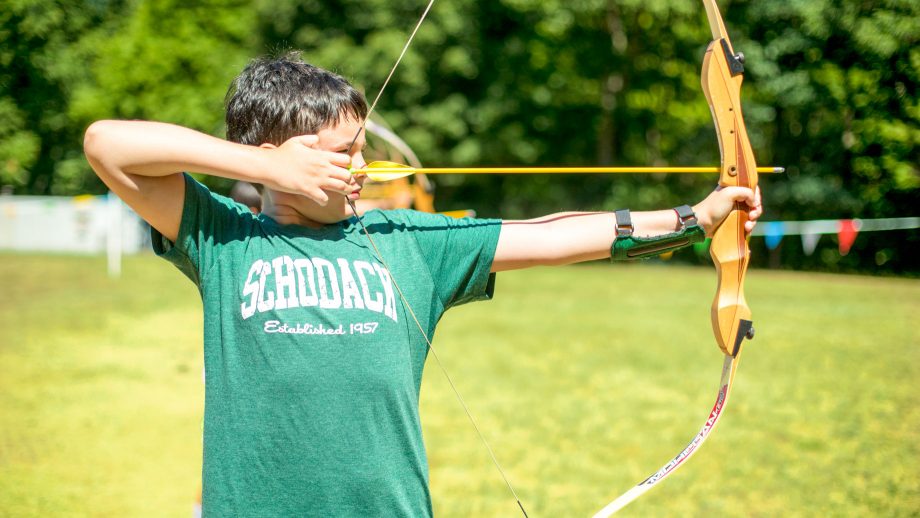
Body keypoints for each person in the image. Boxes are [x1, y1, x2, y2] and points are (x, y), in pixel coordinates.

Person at [83, 52, 761, 517]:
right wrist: (266, 170)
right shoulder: (222, 237)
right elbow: (106, 145)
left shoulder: (407, 245)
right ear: (273, 161)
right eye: (341, 152)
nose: (361, 166)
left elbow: (553, 235)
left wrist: (694, 219)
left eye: (361, 149)